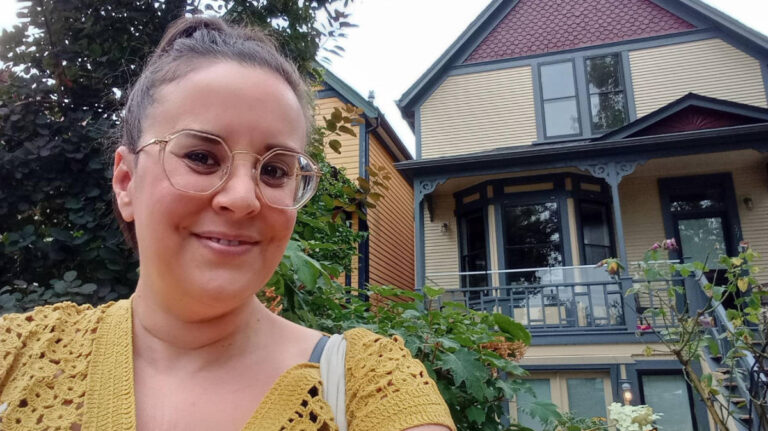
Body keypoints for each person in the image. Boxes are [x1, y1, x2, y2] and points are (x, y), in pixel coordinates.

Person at [0, 16, 455, 431]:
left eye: (275, 170)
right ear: (125, 181)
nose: (242, 198)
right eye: (200, 157)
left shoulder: (368, 384)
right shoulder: (18, 355)